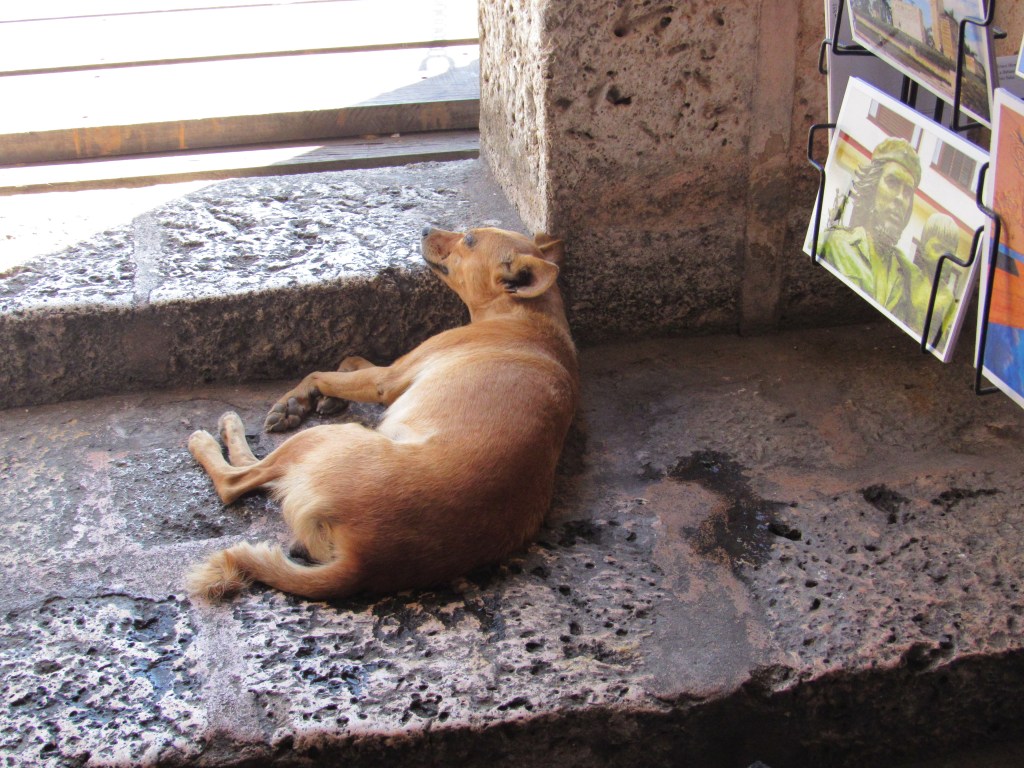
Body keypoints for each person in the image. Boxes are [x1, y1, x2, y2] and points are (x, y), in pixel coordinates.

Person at [820, 137, 926, 321]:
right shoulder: (834, 243)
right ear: (873, 185)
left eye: (907, 192)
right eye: (892, 183)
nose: (900, 198)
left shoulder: (908, 276)